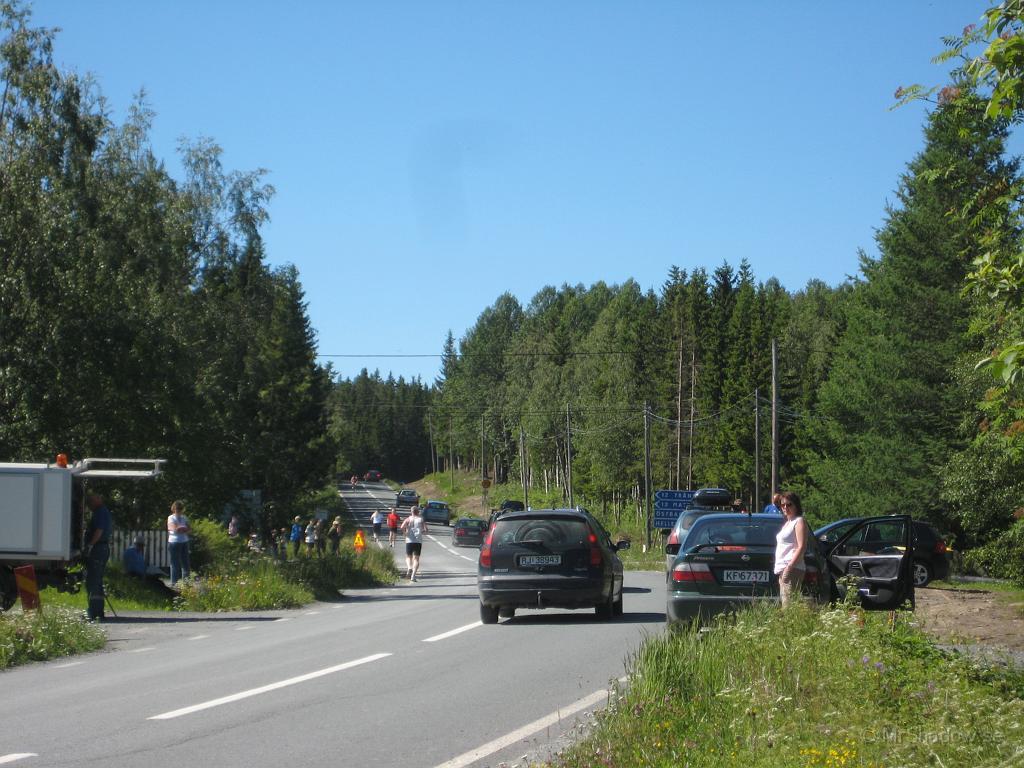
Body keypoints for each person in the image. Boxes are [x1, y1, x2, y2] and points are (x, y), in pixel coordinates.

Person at [774, 491, 811, 607]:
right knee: (787, 605)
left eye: (789, 504)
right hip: (783, 569)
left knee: (789, 606)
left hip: (792, 569)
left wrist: (789, 568)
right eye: (782, 505)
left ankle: (791, 625)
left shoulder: (799, 521)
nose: (785, 507)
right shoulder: (788, 523)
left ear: (796, 505)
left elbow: (802, 546)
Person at [84, 493, 112, 620]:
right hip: (102, 547)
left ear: (98, 499)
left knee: (93, 580)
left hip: (98, 548)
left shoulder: (100, 512)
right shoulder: (102, 511)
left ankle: (93, 611)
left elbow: (99, 530)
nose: (89, 504)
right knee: (97, 580)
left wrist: (90, 544)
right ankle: (98, 611)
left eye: (91, 501)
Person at [399, 505, 428, 581]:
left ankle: (409, 568)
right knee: (416, 559)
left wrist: (405, 533)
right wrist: (421, 532)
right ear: (418, 512)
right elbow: (426, 529)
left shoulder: (408, 519)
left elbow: (402, 527)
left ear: (411, 512)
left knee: (408, 556)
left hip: (409, 540)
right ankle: (413, 576)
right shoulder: (421, 519)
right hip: (418, 541)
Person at [167, 500, 191, 585]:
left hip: (184, 541)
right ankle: (174, 584)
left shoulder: (184, 518)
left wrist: (182, 528)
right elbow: (174, 528)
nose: (179, 510)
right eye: (177, 508)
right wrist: (182, 528)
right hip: (174, 542)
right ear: (174, 509)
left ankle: (186, 584)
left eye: (180, 508)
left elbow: (189, 529)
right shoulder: (171, 518)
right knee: (175, 564)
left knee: (186, 564)